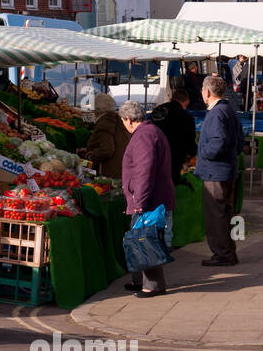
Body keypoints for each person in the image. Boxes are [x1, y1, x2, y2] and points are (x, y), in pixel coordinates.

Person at [119, 100, 176, 297]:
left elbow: (144, 172)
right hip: (152, 198)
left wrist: (139, 202)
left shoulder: (144, 136)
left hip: (149, 201)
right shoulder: (150, 132)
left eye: (122, 121)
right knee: (141, 239)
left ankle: (152, 286)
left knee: (146, 241)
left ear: (128, 119)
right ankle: (140, 281)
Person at [197, 75, 244, 267]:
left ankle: (223, 254)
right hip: (225, 169)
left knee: (217, 215)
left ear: (207, 92)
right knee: (225, 213)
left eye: (202, 90)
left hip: (215, 172)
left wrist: (205, 155)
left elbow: (219, 141)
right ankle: (227, 252)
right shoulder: (228, 110)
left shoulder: (217, 112)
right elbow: (240, 140)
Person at [149, 87, 197, 182]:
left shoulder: (157, 110)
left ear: (172, 98)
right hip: (173, 158)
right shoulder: (186, 117)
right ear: (186, 102)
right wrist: (193, 154)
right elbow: (190, 140)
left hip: (152, 154)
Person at [82, 92, 131, 178]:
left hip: (109, 172)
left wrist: (89, 156)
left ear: (97, 110)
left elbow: (106, 149)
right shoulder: (118, 120)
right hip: (123, 169)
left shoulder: (104, 123)